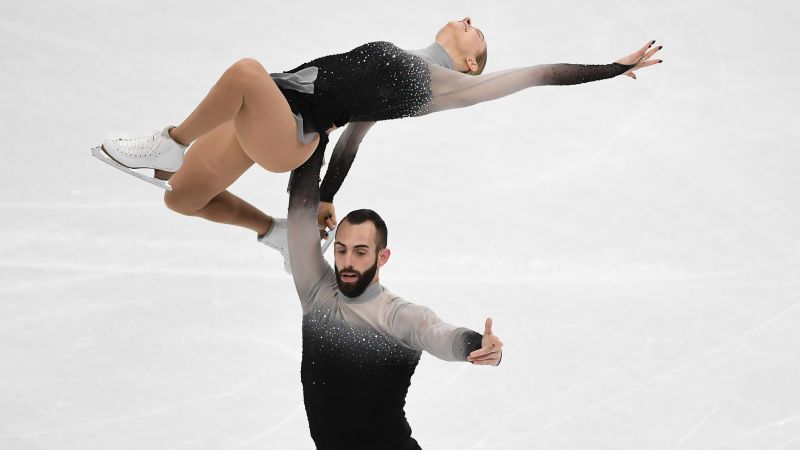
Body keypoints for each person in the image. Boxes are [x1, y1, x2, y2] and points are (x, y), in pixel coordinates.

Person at [93, 17, 664, 271]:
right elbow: (352, 138)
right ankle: (271, 238)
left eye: (478, 33)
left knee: (245, 71)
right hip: (274, 118)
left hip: (286, 127)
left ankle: (168, 144)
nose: (469, 18)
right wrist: (315, 203)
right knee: (181, 199)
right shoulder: (406, 70)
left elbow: (538, 73)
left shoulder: (447, 84)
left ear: (470, 64)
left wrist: (611, 69)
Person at [285, 143, 503, 449]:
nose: (347, 262)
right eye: (341, 250)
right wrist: (314, 134)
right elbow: (298, 213)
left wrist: (479, 344)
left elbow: (441, 335)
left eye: (361, 252)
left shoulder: (397, 316)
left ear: (382, 257)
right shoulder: (317, 293)